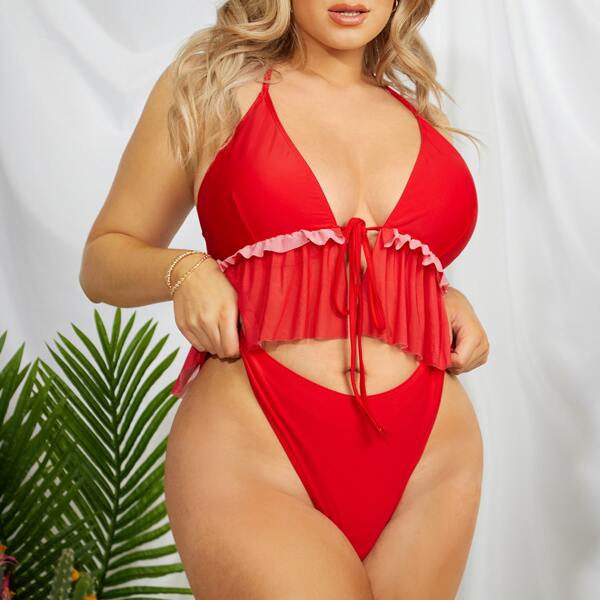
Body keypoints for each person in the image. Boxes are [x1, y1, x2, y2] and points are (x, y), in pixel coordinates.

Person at [80, 1, 490, 598]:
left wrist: (442, 295)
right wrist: (185, 271)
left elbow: (385, 260)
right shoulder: (210, 88)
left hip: (431, 457)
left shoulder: (420, 113)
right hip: (257, 447)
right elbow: (103, 259)